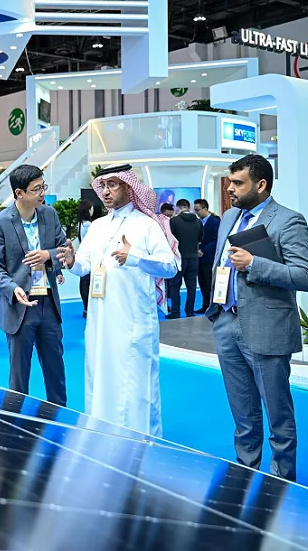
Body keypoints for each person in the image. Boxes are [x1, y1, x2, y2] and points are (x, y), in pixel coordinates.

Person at [206, 154, 308, 481]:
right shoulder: (229, 217)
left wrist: (254, 264)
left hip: (267, 328)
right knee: (242, 410)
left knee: (277, 414)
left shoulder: (289, 221)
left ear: (261, 184)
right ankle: (245, 469)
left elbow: (304, 276)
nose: (230, 189)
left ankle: (281, 482)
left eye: (238, 183)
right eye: (230, 182)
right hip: (227, 322)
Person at [59, 164, 178, 435]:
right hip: (100, 320)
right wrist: (71, 261)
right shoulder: (98, 226)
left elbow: (169, 267)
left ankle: (139, 439)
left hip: (133, 320)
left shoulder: (146, 224)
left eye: (112, 185)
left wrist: (134, 256)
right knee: (100, 375)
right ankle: (102, 434)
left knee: (134, 382)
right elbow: (84, 265)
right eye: (103, 186)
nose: (106, 191)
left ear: (128, 186)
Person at [0, 164, 68, 406]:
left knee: (56, 370)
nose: (43, 193)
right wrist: (12, 288)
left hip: (49, 303)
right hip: (20, 306)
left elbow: (63, 250)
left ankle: (59, 419)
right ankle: (13, 423)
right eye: (37, 189)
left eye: (43, 186)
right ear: (19, 193)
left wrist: (48, 256)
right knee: (19, 377)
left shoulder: (50, 215)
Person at [168, 199, 204, 319]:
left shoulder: (174, 221)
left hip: (179, 258)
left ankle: (175, 312)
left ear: (178, 208)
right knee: (192, 286)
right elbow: (200, 238)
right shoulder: (198, 221)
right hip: (193, 258)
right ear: (189, 207)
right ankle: (190, 311)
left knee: (174, 285)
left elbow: (170, 239)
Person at [195, 198, 221, 314]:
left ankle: (214, 306)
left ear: (205, 208)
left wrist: (204, 250)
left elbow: (216, 240)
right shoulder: (198, 222)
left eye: (198, 210)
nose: (196, 213)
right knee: (202, 283)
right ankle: (205, 305)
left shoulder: (215, 222)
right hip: (199, 258)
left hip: (210, 258)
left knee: (210, 283)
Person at [76, 200, 95, 318]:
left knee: (84, 282)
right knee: (89, 283)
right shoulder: (89, 224)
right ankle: (89, 308)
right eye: (91, 208)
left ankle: (86, 308)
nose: (93, 210)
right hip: (90, 256)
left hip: (83, 255)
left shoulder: (80, 224)